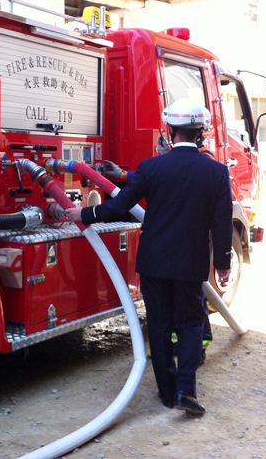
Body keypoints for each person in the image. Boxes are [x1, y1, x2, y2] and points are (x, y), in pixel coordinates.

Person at [65, 98, 232, 414]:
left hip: (154, 262)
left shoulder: (151, 167)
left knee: (159, 324)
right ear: (201, 132)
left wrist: (84, 213)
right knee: (191, 324)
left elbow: (119, 205)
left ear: (170, 130)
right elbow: (222, 222)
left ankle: (166, 394)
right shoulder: (217, 172)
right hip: (192, 264)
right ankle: (185, 391)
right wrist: (223, 264)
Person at [99, 107, 217, 365]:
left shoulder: (205, 159)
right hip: (185, 245)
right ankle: (179, 349)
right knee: (183, 300)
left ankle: (194, 348)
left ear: (173, 131)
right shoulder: (199, 161)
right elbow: (167, 174)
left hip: (187, 241)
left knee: (189, 303)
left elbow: (178, 175)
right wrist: (123, 175)